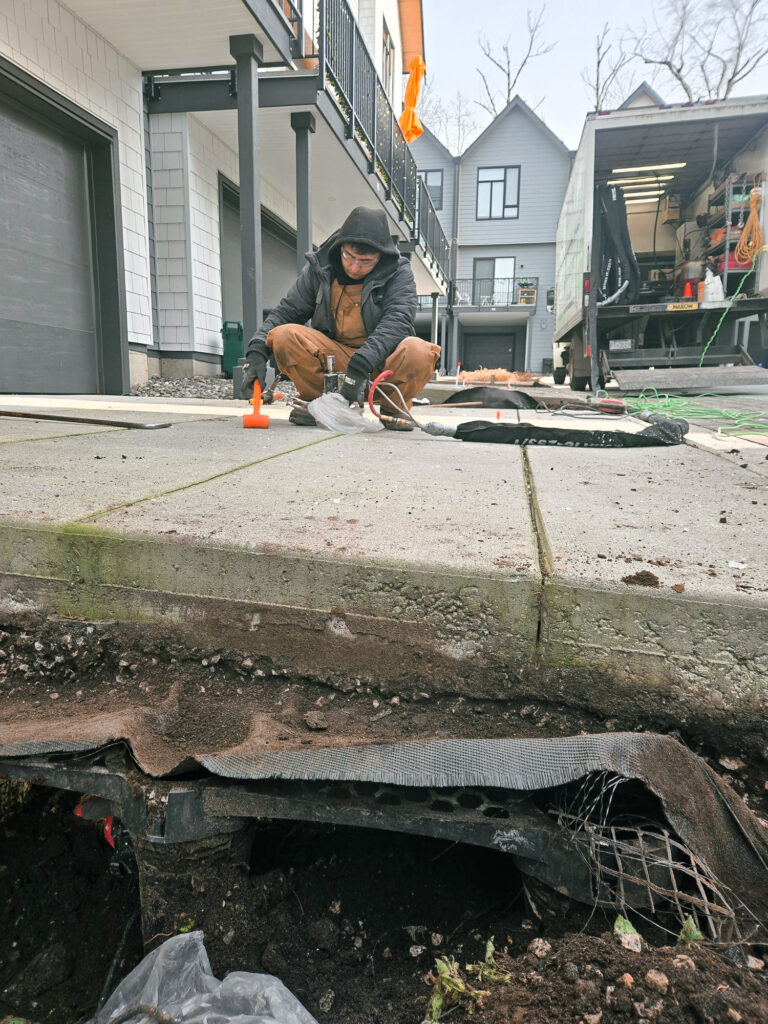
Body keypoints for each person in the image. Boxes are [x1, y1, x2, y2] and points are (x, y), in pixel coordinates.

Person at [240, 207, 441, 429]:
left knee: (420, 351)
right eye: (349, 257)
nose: (354, 267)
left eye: (365, 261)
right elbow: (287, 311)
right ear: (340, 248)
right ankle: (318, 404)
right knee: (283, 335)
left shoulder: (399, 272)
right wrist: (257, 351)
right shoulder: (320, 268)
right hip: (334, 362)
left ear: (380, 256)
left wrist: (362, 363)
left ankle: (393, 409)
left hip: (381, 367)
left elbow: (398, 320)